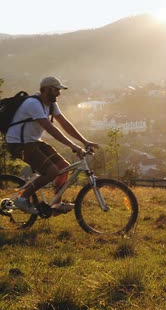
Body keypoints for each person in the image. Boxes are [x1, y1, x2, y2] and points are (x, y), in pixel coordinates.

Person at [6, 76, 99, 214]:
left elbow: (64, 124)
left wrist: (84, 141)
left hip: (33, 141)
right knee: (52, 171)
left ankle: (56, 204)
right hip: (18, 143)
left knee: (63, 167)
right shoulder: (33, 103)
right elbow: (50, 128)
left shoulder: (50, 104)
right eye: (57, 90)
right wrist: (73, 146)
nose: (59, 93)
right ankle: (22, 199)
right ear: (47, 89)